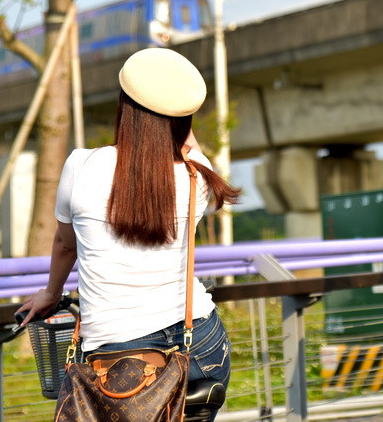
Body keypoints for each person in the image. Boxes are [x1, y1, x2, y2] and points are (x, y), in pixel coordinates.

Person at [17, 47, 241, 421]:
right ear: (182, 119)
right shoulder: (195, 178)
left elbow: (64, 244)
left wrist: (51, 293)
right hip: (199, 342)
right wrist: (180, 118)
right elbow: (194, 156)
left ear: (124, 106)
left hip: (118, 356)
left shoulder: (82, 165)